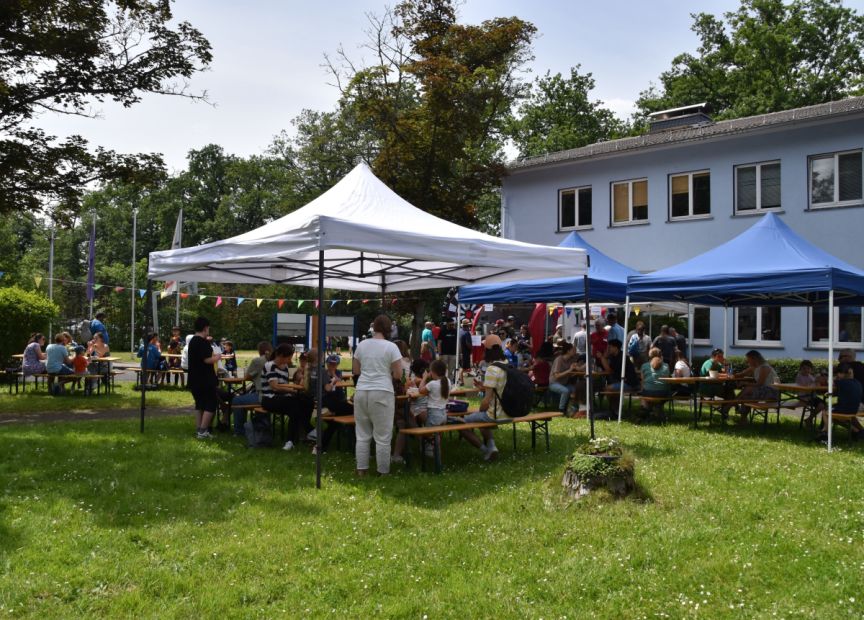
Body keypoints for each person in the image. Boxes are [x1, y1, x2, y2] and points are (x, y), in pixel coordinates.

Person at [352, 314, 402, 476]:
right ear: (389, 329)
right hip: (382, 391)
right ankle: (383, 471)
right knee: (383, 436)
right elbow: (398, 375)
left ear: (373, 328)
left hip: (361, 390)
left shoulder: (361, 345)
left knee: (362, 434)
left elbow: (355, 371)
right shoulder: (391, 347)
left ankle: (361, 470)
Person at [456, 334, 506, 460]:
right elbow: (500, 387)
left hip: (497, 414)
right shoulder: (508, 365)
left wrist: (479, 411)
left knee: (461, 423)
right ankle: (492, 447)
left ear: (487, 350)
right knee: (480, 419)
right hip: (511, 412)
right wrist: (484, 386)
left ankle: (486, 451)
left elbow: (486, 401)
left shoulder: (492, 369)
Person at [261, 343, 311, 450]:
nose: (290, 360)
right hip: (269, 399)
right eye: (289, 357)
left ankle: (293, 439)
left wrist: (293, 391)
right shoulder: (270, 365)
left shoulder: (284, 367)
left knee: (306, 402)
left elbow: (284, 385)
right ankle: (307, 432)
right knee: (295, 404)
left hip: (283, 398)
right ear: (281, 355)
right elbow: (275, 387)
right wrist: (293, 391)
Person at [187, 316, 222, 440]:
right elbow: (207, 360)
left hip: (194, 378)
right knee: (211, 404)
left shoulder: (192, 341)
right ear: (205, 328)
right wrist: (217, 358)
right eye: (208, 328)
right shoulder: (203, 342)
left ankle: (199, 429)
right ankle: (203, 431)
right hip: (205, 379)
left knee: (199, 404)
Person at [314, 354, 355, 454]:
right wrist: (332, 380)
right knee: (352, 410)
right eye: (330, 364)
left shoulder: (338, 372)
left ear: (337, 365)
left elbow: (340, 382)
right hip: (326, 401)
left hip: (336, 401)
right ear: (327, 364)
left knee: (334, 422)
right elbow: (327, 389)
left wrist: (334, 375)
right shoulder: (323, 373)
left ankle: (320, 447)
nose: (332, 366)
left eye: (334, 364)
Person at [231, 341, 272, 436]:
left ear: (259, 351)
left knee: (237, 400)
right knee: (245, 397)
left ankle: (239, 430)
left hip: (262, 396)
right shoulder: (275, 360)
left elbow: (246, 377)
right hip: (275, 395)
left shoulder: (258, 361)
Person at [815, 362, 863, 441]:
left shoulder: (841, 382)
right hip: (854, 409)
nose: (837, 375)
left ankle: (825, 433)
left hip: (844, 410)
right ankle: (857, 431)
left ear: (843, 373)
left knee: (825, 411)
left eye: (839, 373)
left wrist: (829, 378)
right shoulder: (857, 383)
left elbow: (830, 383)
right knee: (838, 416)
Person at [728, 350, 779, 424]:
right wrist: (731, 375)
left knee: (748, 389)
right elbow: (741, 374)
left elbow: (759, 384)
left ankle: (730, 405)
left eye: (748, 359)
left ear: (754, 359)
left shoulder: (764, 367)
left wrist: (745, 383)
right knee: (746, 397)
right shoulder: (754, 367)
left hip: (772, 392)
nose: (747, 361)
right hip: (763, 390)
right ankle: (743, 420)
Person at [600, 339, 639, 417]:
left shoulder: (622, 358)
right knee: (609, 390)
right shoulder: (614, 357)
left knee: (608, 389)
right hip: (621, 382)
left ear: (616, 348)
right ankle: (615, 410)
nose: (608, 349)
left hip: (629, 383)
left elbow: (609, 370)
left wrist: (602, 358)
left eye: (610, 347)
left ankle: (615, 410)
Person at [548, 341, 584, 416]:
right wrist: (570, 370)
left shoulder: (571, 359)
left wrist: (578, 367)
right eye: (573, 350)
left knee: (576, 389)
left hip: (564, 383)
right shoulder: (559, 360)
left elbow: (580, 358)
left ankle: (575, 409)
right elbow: (556, 376)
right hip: (554, 383)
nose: (575, 351)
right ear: (568, 351)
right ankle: (561, 410)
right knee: (566, 391)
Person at [637, 347, 671, 422]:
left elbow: (643, 382)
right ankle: (656, 411)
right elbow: (668, 379)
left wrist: (643, 391)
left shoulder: (644, 366)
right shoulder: (666, 366)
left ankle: (644, 412)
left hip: (648, 392)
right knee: (659, 393)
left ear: (649, 356)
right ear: (660, 355)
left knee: (644, 396)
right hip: (663, 393)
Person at [418, 359, 450, 428]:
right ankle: (437, 439)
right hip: (444, 414)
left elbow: (420, 390)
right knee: (436, 433)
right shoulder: (448, 381)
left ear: (433, 372)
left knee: (428, 436)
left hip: (434, 415)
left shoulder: (432, 384)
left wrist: (424, 377)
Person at [458, 318, 473, 385]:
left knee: (462, 367)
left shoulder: (460, 331)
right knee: (464, 367)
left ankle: (461, 380)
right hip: (465, 352)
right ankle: (462, 381)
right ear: (467, 326)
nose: (469, 327)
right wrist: (472, 348)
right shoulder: (467, 333)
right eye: (469, 325)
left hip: (461, 352)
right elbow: (468, 344)